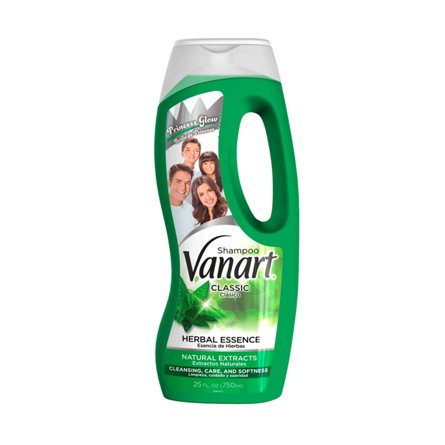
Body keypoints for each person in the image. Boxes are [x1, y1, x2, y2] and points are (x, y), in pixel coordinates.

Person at [168, 164, 196, 243]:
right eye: (178, 182)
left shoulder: (192, 211)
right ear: (169, 183)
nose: (183, 187)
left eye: (187, 183)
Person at [181, 137, 202, 205]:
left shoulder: (200, 174)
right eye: (188, 150)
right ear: (182, 153)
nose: (192, 153)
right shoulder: (173, 172)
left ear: (199, 155)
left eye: (196, 151)